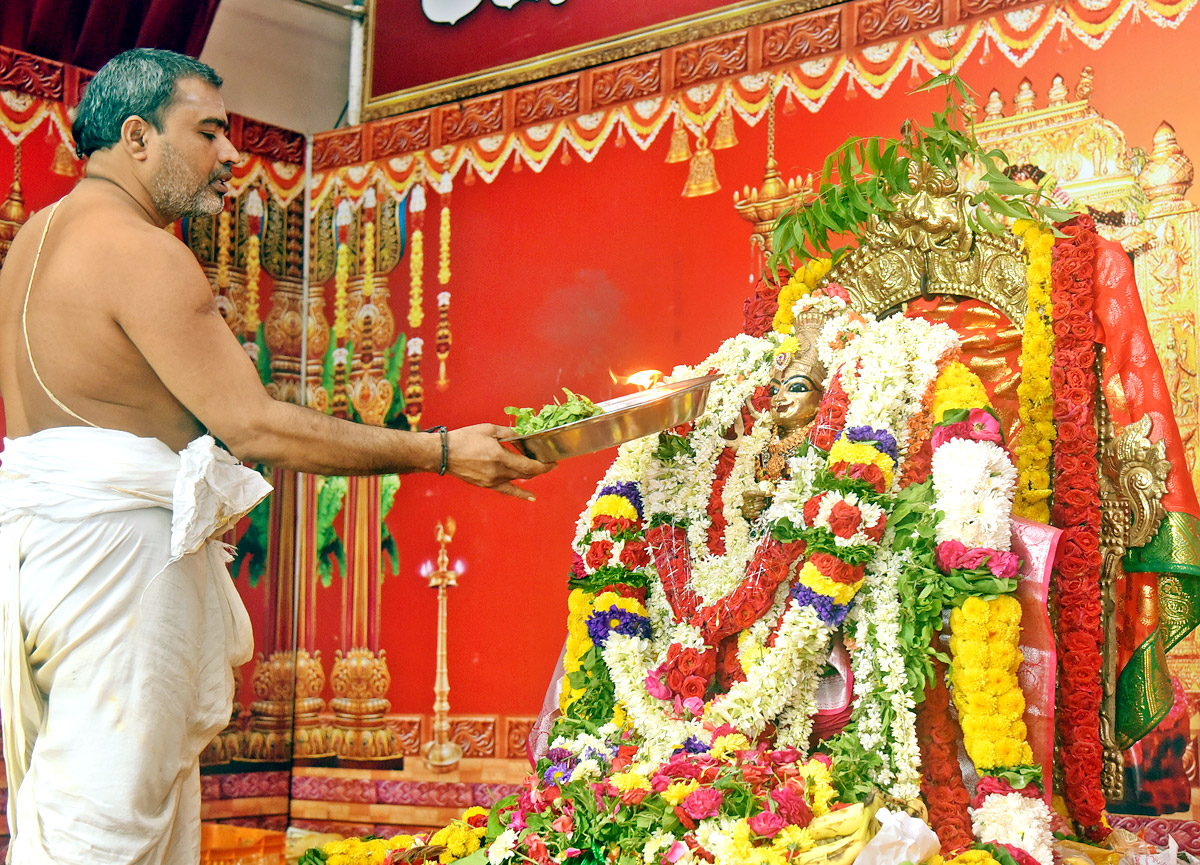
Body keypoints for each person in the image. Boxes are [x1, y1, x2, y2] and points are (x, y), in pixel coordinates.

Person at [0, 48, 554, 864]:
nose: (231, 155)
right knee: (109, 832)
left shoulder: (33, 244)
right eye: (210, 131)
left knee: (68, 814)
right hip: (117, 570)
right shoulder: (146, 254)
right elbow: (256, 426)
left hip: (40, 556)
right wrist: (440, 449)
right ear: (136, 137)